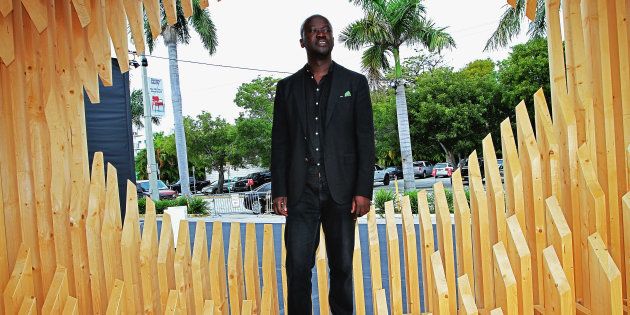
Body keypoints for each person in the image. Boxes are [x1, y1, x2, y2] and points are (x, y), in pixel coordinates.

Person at [271, 14, 375, 315]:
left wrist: (363, 190)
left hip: (342, 193)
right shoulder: (286, 88)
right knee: (297, 268)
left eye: (326, 29)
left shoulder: (354, 83)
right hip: (300, 194)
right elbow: (280, 143)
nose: (321, 34)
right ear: (303, 40)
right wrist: (279, 189)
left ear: (332, 38)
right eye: (314, 30)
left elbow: (365, 140)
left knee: (342, 266)